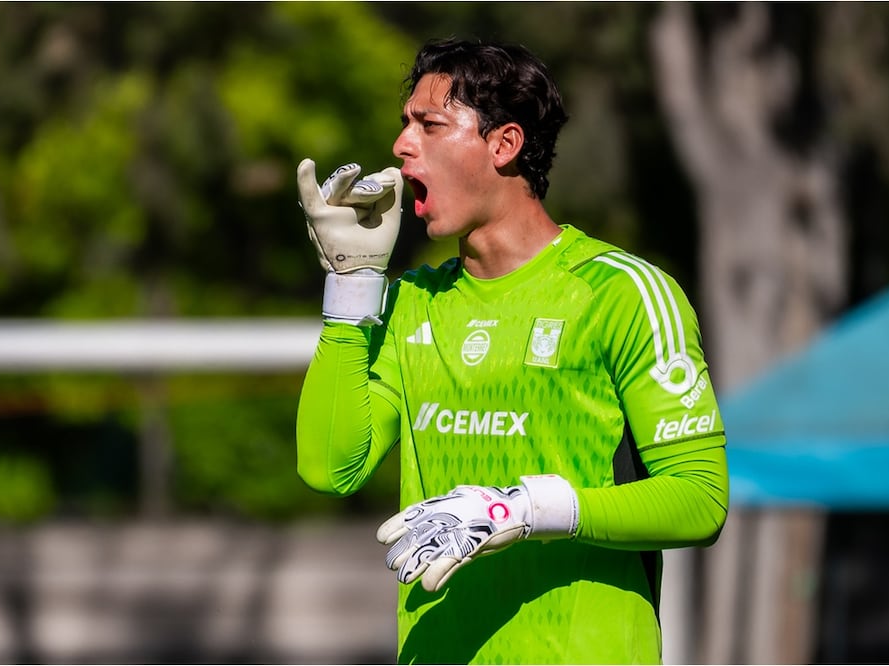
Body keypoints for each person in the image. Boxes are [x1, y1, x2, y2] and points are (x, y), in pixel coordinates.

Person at [295, 38, 728, 665]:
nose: (400, 146)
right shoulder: (414, 300)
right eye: (404, 124)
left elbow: (699, 498)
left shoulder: (620, 292)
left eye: (430, 124)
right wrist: (353, 284)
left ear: (504, 145)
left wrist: (523, 508)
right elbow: (331, 467)